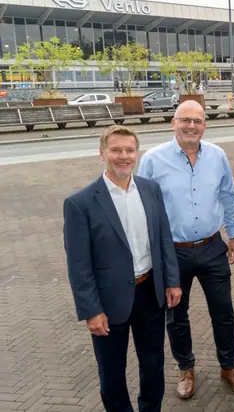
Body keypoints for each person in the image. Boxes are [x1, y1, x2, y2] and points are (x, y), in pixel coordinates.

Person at [63, 125, 182, 412]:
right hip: (108, 301)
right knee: (112, 371)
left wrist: (172, 280)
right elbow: (79, 265)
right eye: (116, 150)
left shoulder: (151, 190)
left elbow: (163, 238)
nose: (123, 156)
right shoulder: (80, 203)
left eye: (129, 150)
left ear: (137, 154)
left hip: (150, 292)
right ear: (102, 153)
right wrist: (91, 310)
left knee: (153, 362)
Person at [137, 100, 234, 399]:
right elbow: (144, 207)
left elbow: (228, 195)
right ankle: (186, 367)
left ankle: (229, 366)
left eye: (197, 121)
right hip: (173, 251)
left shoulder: (217, 155)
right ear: (173, 122)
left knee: (223, 311)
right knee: (176, 314)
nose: (191, 126)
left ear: (205, 125)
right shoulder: (153, 159)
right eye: (185, 120)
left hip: (213, 247)